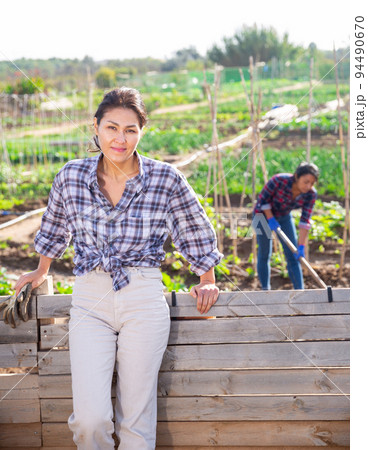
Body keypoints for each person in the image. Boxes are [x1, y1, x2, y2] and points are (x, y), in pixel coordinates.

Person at [14, 87, 223, 450]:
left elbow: (194, 228)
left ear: (142, 131)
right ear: (95, 127)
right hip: (89, 296)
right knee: (90, 420)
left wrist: (207, 279)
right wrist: (40, 269)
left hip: (142, 295)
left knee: (136, 421)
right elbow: (55, 225)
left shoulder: (165, 178)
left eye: (130, 129)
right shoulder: (71, 176)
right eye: (111, 128)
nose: (120, 139)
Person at [252, 162, 319, 290]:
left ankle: (300, 292)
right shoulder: (278, 181)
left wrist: (301, 246)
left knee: (293, 254)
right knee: (265, 252)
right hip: (261, 215)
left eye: (312, 183)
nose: (308, 186)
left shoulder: (311, 194)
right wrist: (270, 218)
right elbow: (263, 201)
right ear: (296, 176)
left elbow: (305, 221)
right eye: (306, 182)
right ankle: (265, 290)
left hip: (283, 216)